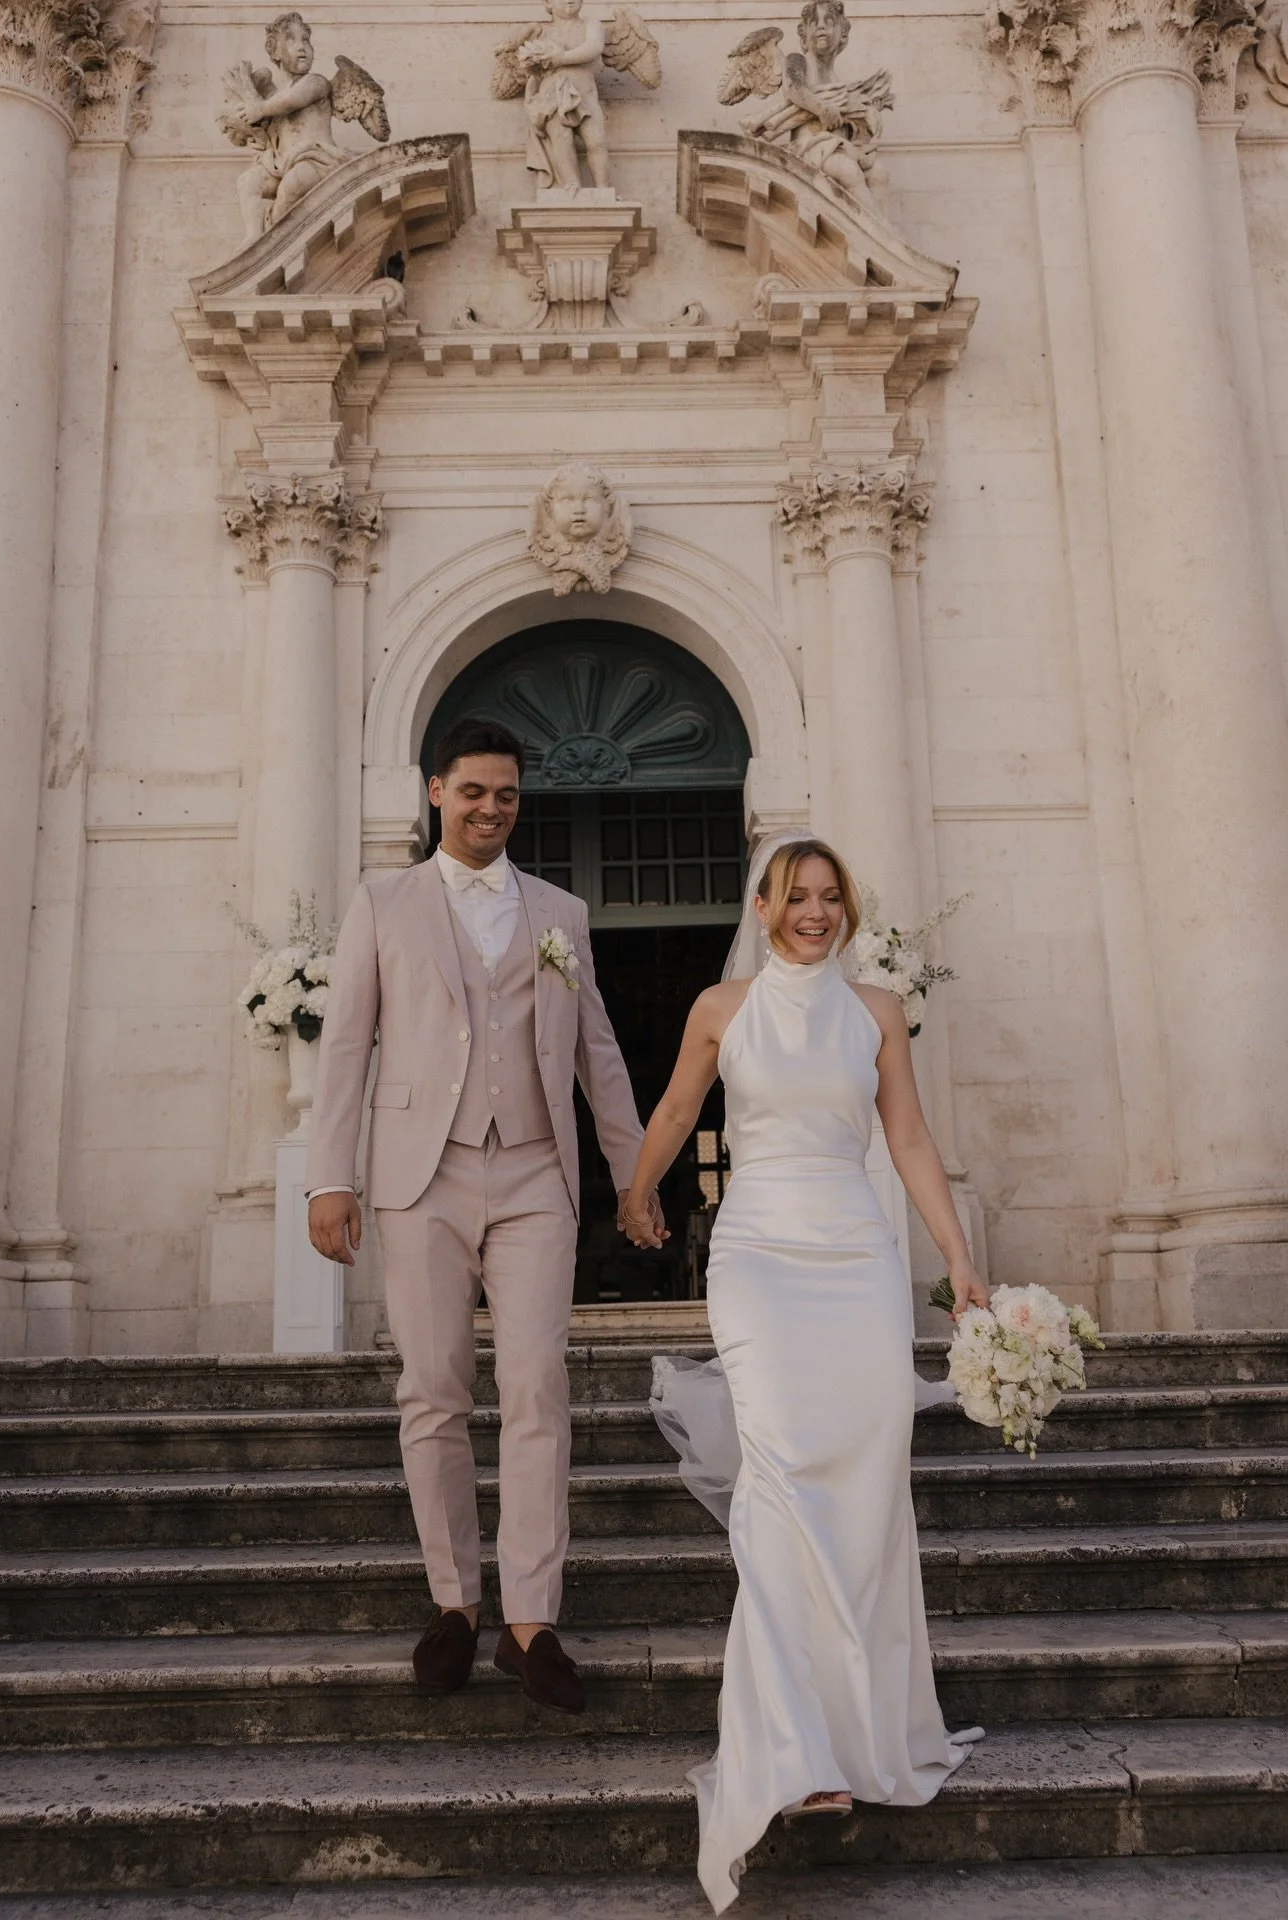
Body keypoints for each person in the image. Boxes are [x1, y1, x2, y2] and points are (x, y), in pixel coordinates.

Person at [620, 834, 985, 1912]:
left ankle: (862, 1724)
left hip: (858, 1256)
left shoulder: (876, 1011)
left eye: (831, 899)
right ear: (766, 903)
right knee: (779, 1479)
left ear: (848, 909)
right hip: (760, 1258)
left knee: (867, 1482)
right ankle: (798, 1751)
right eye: (798, 896)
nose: (815, 913)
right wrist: (638, 1192)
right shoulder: (719, 1007)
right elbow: (682, 1111)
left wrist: (957, 1257)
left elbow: (908, 1137)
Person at [306, 717, 658, 1712]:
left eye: (505, 794)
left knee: (540, 1386)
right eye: (472, 792)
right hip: (423, 1177)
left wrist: (634, 1181)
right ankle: (455, 1604)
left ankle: (532, 1619)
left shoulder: (562, 913)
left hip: (538, 1175)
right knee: (434, 1389)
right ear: (434, 793)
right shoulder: (383, 904)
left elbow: (599, 1056)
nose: (490, 808)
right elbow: (345, 1049)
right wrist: (329, 1176)